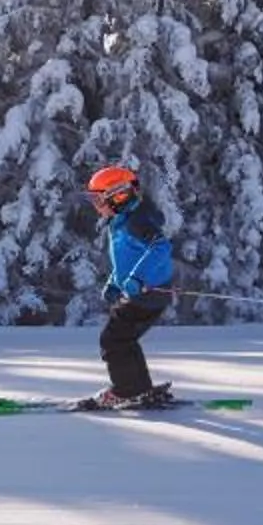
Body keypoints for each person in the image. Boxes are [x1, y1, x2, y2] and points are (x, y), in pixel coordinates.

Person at [87, 164, 177, 410]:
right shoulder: (122, 219)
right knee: (123, 339)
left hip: (149, 293)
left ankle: (128, 391)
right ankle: (138, 388)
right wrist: (114, 282)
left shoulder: (137, 221)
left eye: (98, 199)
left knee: (113, 339)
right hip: (141, 292)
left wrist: (137, 279)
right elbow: (128, 258)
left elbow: (161, 247)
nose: (96, 206)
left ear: (118, 195)